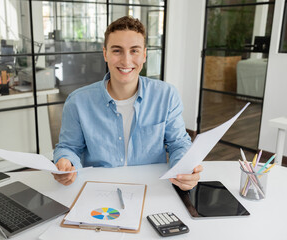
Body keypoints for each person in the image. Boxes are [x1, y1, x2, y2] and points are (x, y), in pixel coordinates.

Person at [52, 16, 203, 190]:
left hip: (151, 189)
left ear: (144, 55)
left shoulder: (166, 95)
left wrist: (184, 169)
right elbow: (69, 148)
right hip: (97, 190)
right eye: (117, 50)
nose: (126, 61)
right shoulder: (77, 102)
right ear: (105, 54)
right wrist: (66, 162)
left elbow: (179, 144)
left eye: (134, 51)